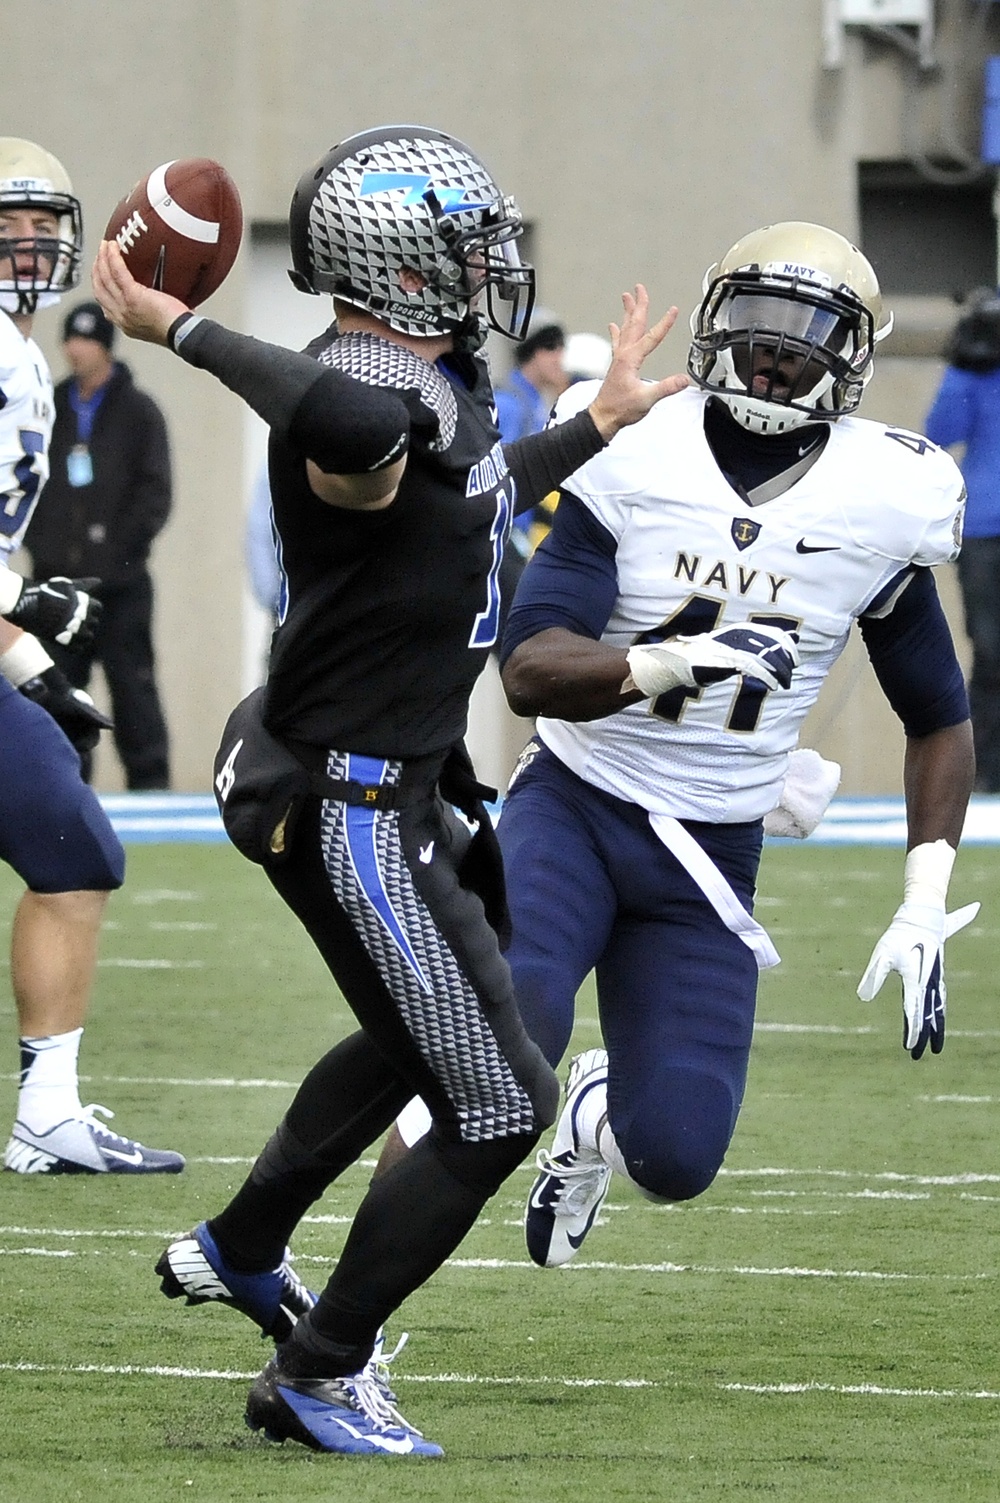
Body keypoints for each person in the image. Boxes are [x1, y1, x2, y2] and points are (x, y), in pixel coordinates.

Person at [93, 123, 687, 1458]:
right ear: (403, 263)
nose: (495, 268)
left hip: (394, 781)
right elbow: (358, 428)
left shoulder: (438, 379)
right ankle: (316, 1369)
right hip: (348, 802)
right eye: (469, 248)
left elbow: (469, 492)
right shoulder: (359, 381)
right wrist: (179, 327)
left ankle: (243, 1245)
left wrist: (595, 421)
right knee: (497, 1099)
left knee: (441, 1017)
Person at [380, 221, 980, 1275]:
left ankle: (595, 1122)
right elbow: (530, 667)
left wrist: (923, 898)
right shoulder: (636, 444)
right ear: (713, 322)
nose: (774, 348)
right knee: (495, 1047)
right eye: (754, 318)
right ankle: (344, 1333)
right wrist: (674, 662)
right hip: (576, 802)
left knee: (679, 1155)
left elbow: (936, 713)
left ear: (851, 355)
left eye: (805, 330)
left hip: (710, 847)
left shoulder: (887, 494)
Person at [0, 137, 183, 1174]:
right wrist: (26, 600)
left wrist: (34, 665)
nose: (28, 249)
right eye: (6, 230)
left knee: (76, 851)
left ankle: (48, 1116)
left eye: (41, 231)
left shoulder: (20, 354)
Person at [24, 299, 171, 789]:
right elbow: (28, 481)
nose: (74, 349)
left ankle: (153, 798)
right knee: (61, 695)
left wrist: (116, 556)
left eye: (85, 339)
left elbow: (154, 494)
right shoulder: (51, 404)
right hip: (59, 590)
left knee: (135, 694)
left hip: (123, 588)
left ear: (105, 347)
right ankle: (66, 794)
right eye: (69, 338)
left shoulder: (140, 411)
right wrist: (45, 551)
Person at [924, 291, 1000, 792]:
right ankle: (986, 776)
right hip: (984, 530)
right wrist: (967, 359)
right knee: (991, 651)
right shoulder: (974, 373)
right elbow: (940, 432)